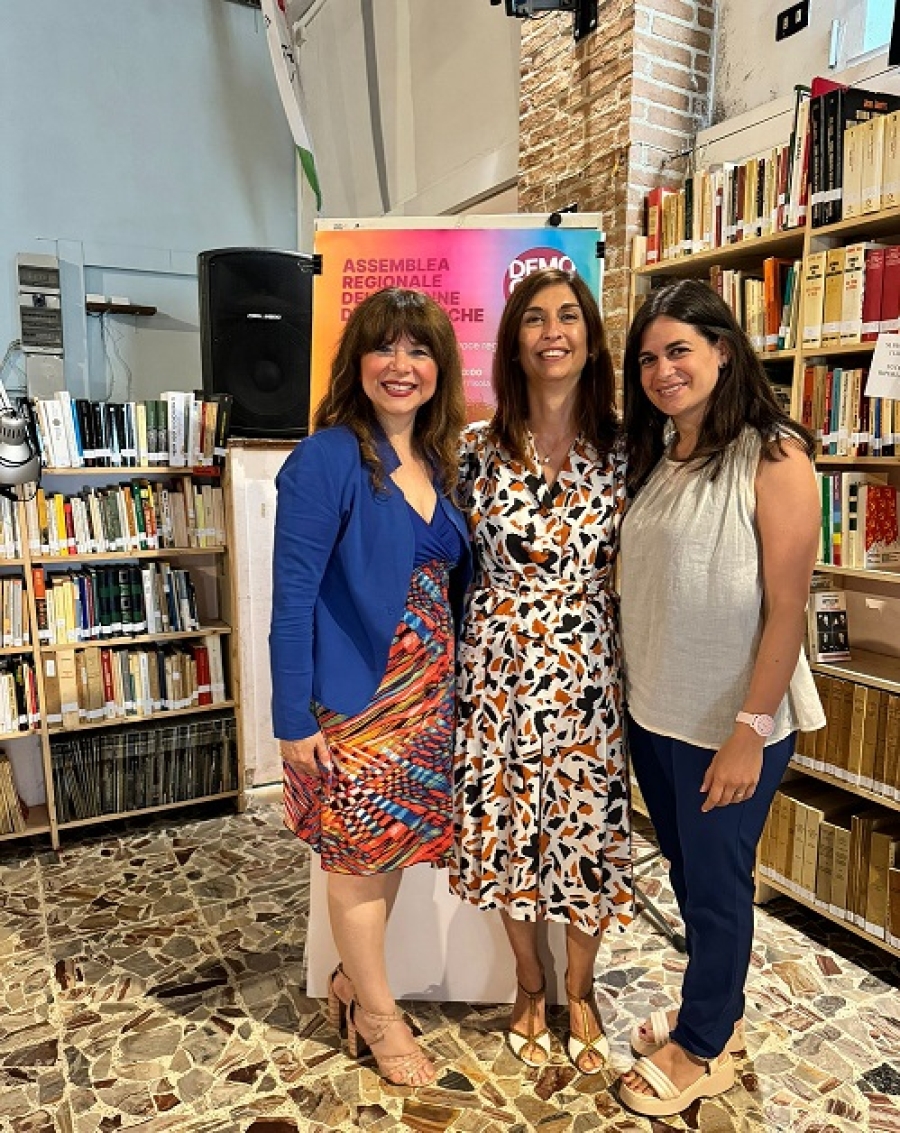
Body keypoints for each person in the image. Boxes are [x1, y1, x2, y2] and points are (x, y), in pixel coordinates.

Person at [617, 279, 825, 1118]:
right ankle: (719, 1009)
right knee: (687, 871)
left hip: (732, 720)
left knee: (716, 885)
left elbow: (788, 606)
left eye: (679, 350)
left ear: (724, 352)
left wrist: (750, 729)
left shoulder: (773, 454)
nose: (662, 371)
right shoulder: (659, 454)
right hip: (656, 713)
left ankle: (703, 1046)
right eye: (647, 358)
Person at [269, 287, 471, 1087]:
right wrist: (292, 716)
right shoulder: (326, 458)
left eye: (419, 349)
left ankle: (354, 986)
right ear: (357, 361)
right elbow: (292, 597)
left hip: (426, 704)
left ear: (440, 367)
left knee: (386, 855)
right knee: (356, 862)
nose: (401, 364)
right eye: (384, 346)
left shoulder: (439, 459)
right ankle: (381, 1018)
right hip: (358, 703)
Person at [450, 267, 633, 1076]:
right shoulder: (473, 450)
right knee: (508, 833)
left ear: (590, 338)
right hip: (497, 672)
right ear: (513, 341)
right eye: (534, 318)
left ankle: (581, 988)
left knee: (586, 832)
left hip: (589, 671)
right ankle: (530, 981)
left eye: (568, 316)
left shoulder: (625, 449)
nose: (552, 331)